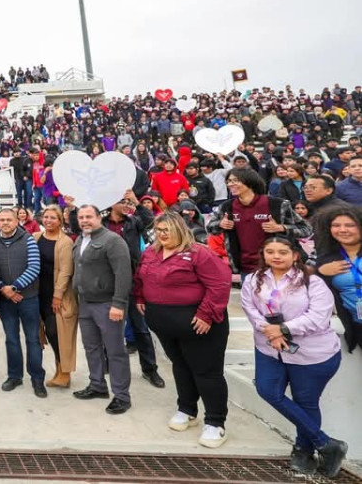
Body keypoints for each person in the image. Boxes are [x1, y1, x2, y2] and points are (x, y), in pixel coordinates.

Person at [241, 237, 348, 477]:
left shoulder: (313, 282)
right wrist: (271, 332)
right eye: (270, 252)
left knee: (306, 402)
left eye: (282, 252)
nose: (276, 256)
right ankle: (327, 444)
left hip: (312, 354)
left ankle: (303, 450)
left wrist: (284, 329)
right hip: (269, 348)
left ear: (295, 255)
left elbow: (318, 317)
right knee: (267, 390)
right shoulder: (252, 280)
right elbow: (251, 310)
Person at [133, 211, 232, 448]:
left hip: (199, 324)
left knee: (206, 371)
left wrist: (207, 313)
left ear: (179, 229)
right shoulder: (150, 252)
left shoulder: (199, 252)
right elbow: (141, 278)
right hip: (165, 324)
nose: (162, 235)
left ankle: (215, 422)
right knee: (181, 366)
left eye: (167, 230)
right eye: (158, 230)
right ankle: (187, 409)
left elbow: (220, 283)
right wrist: (139, 296)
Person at [72, 205, 133, 415]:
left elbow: (123, 274)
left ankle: (122, 396)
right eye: (81, 217)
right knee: (91, 347)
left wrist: (118, 304)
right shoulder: (81, 239)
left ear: (99, 217)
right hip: (86, 303)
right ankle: (97, 385)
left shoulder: (112, 241)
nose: (84, 220)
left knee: (115, 351)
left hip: (107, 304)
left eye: (89, 216)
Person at [206, 168, 311, 277]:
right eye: (229, 181)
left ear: (250, 182)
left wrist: (281, 228)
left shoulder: (277, 204)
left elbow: (306, 229)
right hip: (245, 268)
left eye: (235, 180)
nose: (231, 184)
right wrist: (220, 224)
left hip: (277, 266)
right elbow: (210, 228)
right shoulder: (226, 207)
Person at [0, 208, 45, 397]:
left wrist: (15, 287)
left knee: (33, 340)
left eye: (9, 220)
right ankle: (15, 376)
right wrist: (4, 288)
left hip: (28, 299)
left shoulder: (28, 239)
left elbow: (35, 266)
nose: (5, 223)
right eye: (2, 219)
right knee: (11, 339)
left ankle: (37, 379)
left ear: (16, 221)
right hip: (5, 301)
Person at [35, 206, 77, 389]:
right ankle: (59, 370)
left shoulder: (65, 242)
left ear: (60, 220)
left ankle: (65, 372)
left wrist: (58, 295)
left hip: (57, 295)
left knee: (57, 333)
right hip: (39, 294)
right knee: (48, 334)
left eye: (53, 217)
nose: (49, 220)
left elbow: (66, 271)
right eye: (46, 217)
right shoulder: (36, 237)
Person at [313, 204, 362, 352]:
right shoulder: (326, 257)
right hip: (355, 323)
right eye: (336, 225)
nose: (342, 230)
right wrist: (319, 271)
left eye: (350, 225)